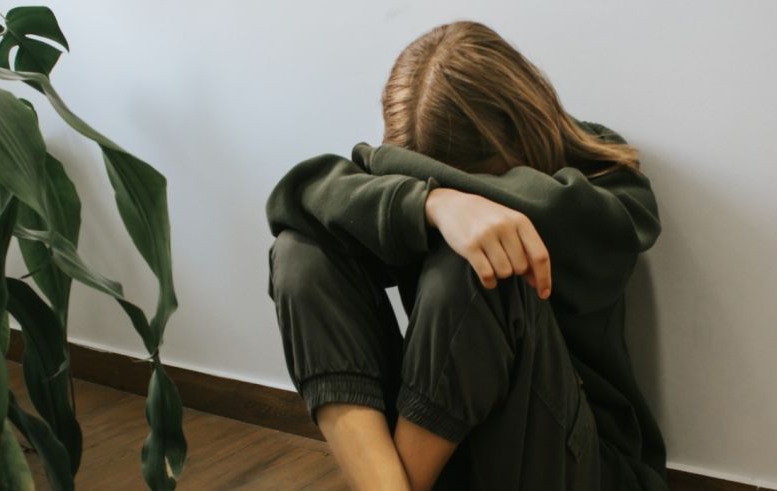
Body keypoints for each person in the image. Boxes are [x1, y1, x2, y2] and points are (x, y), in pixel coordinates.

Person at [265, 20, 668, 491]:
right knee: (302, 255)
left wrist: (410, 181)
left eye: (459, 177)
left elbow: (571, 216)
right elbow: (293, 199)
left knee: (481, 264)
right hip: (451, 450)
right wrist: (435, 204)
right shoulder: (427, 198)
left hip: (581, 467)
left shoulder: (603, 183)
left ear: (520, 131)